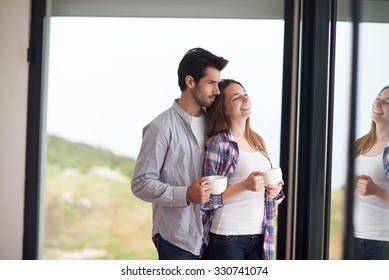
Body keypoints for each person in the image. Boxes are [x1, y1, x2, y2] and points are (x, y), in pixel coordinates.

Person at [131, 47, 229, 260]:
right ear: (190, 81)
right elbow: (141, 183)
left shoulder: (215, 123)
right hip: (177, 240)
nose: (217, 91)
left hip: (213, 237)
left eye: (218, 84)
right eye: (211, 83)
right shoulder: (160, 128)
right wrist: (185, 194)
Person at [201, 79, 284, 260]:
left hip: (260, 235)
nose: (245, 99)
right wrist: (245, 186)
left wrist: (275, 191)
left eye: (245, 93)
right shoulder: (219, 143)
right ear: (224, 109)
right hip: (227, 236)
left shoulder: (257, 141)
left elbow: (268, 193)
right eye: (236, 97)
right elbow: (206, 200)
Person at [353, 85, 389, 260]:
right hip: (354, 237)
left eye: (387, 101)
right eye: (378, 97)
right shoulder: (360, 145)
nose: (378, 102)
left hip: (382, 242)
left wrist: (375, 190)